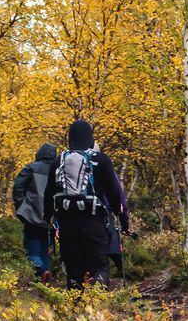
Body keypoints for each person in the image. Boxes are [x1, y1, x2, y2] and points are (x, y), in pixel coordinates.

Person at [52, 118, 127, 288]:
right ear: (90, 137)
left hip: (67, 224)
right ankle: (97, 308)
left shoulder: (58, 162)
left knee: (73, 269)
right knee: (98, 266)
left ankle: (75, 310)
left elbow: (50, 193)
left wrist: (51, 219)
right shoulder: (101, 160)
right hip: (94, 222)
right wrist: (117, 210)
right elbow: (114, 191)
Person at [11, 141, 59, 282]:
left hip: (32, 217)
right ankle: (46, 284)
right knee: (45, 252)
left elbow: (17, 189)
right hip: (51, 220)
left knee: (32, 253)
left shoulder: (30, 168)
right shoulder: (58, 172)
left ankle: (43, 272)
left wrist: (23, 209)